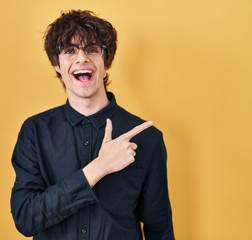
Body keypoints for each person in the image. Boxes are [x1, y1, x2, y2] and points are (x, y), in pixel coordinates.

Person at [10, 10, 174, 240]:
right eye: (69, 51)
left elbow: (160, 230)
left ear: (106, 62)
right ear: (56, 63)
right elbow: (26, 218)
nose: (81, 59)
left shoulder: (146, 137)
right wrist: (99, 168)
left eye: (92, 49)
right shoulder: (35, 132)